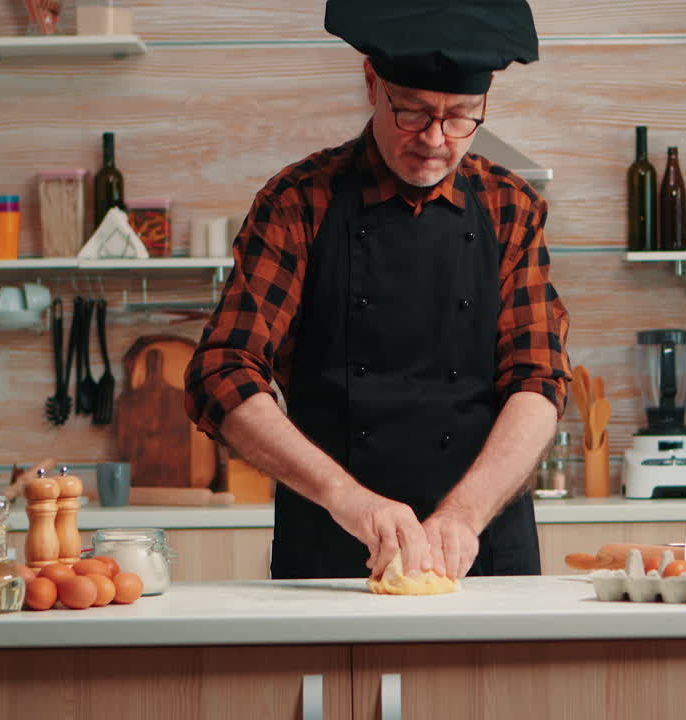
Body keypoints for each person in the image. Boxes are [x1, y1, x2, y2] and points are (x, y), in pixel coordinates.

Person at [184, 0, 570, 582]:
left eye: (461, 116)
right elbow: (222, 371)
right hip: (332, 555)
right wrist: (346, 496)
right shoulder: (297, 202)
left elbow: (538, 378)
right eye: (412, 113)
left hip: (481, 553)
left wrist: (464, 513)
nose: (436, 140)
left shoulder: (510, 208)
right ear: (372, 83)